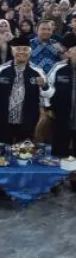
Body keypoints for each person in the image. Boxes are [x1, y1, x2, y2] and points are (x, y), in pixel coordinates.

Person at [0, 36, 53, 145]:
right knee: (3, 149)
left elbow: (48, 94)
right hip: (4, 118)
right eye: (18, 49)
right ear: (12, 51)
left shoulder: (37, 71)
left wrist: (44, 86)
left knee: (24, 151)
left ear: (30, 52)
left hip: (28, 120)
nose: (21, 52)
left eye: (25, 49)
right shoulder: (1, 70)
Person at [46, 34, 76, 179]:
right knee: (59, 151)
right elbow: (47, 87)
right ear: (69, 53)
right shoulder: (59, 68)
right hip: (61, 115)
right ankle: (56, 182)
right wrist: (48, 107)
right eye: (74, 52)